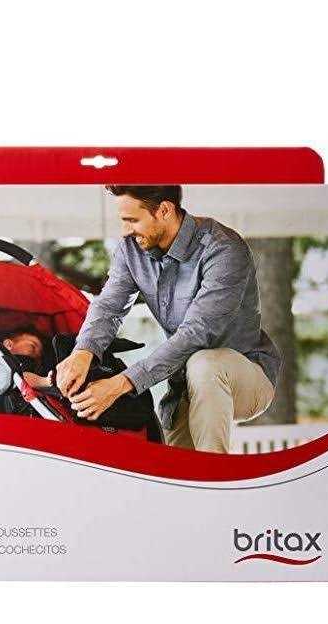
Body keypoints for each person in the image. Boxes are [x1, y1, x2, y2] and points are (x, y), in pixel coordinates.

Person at [54, 185, 281, 454]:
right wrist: (83, 351)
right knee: (175, 472)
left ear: (164, 210)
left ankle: (216, 475)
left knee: (204, 363)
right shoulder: (131, 250)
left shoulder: (224, 249)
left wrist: (120, 384)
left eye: (132, 220)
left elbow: (197, 334)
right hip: (183, 387)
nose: (125, 231)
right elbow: (109, 306)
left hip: (247, 377)